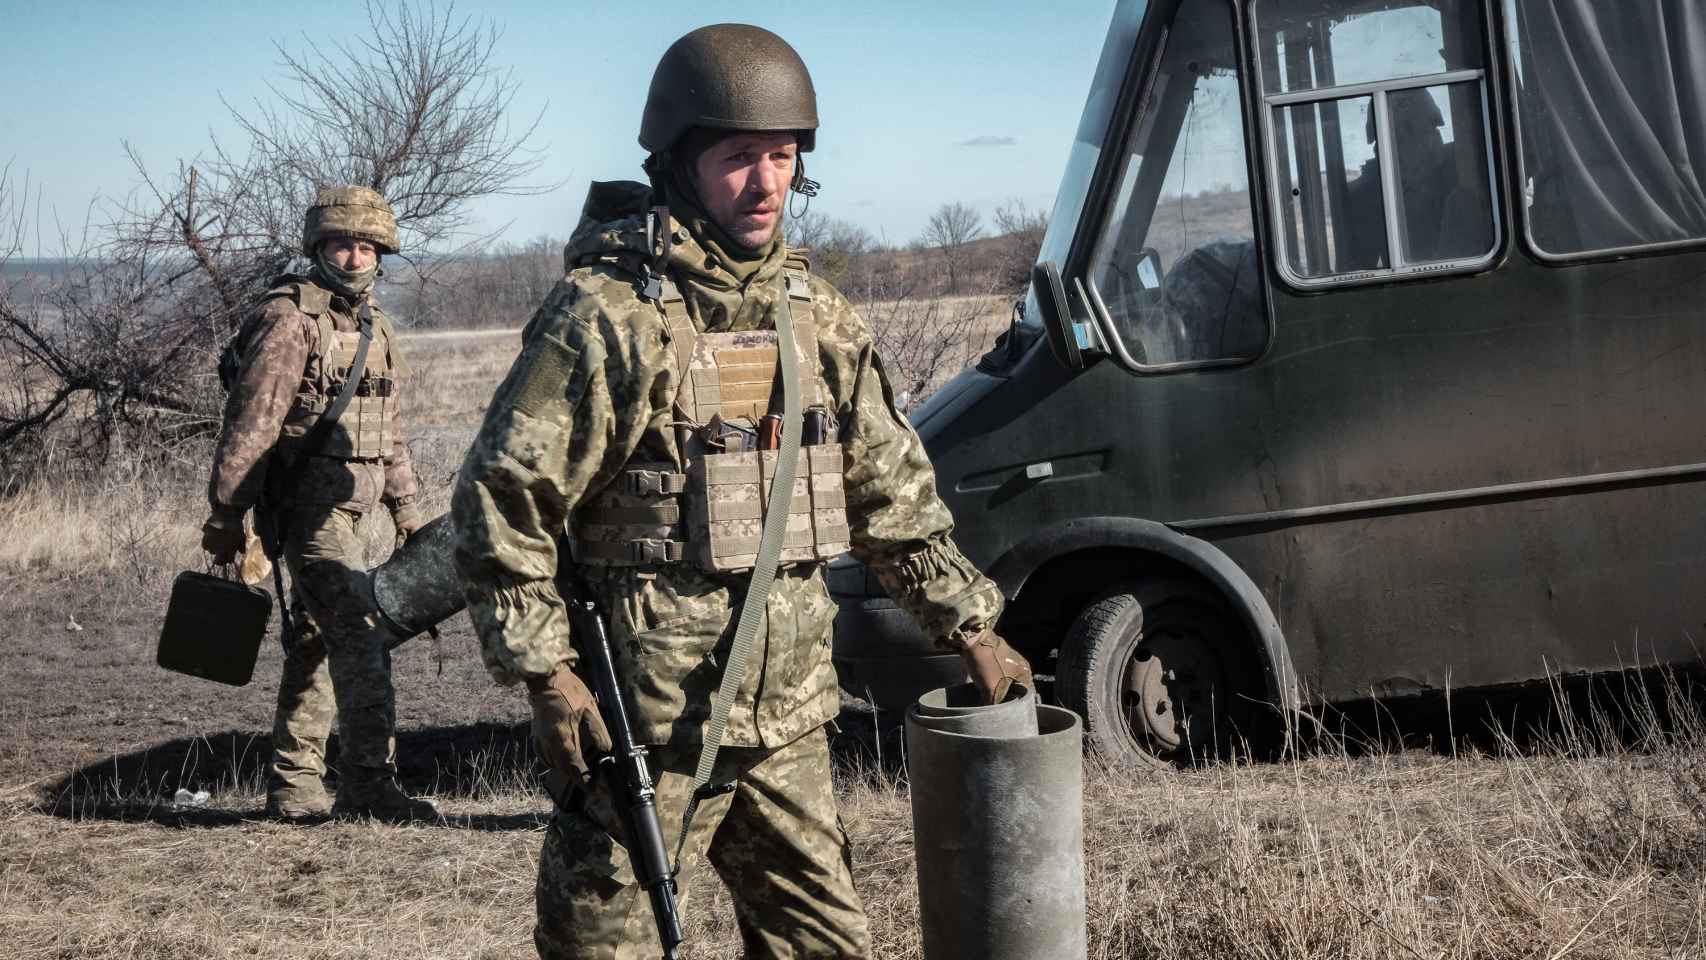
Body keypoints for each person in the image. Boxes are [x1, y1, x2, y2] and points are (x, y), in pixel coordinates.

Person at [450, 23, 1033, 959]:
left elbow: (888, 492)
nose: (765, 183)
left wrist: (969, 624)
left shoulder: (817, 315)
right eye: (737, 158)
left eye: (782, 156)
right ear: (680, 163)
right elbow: (500, 502)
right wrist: (545, 675)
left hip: (787, 720)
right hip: (645, 729)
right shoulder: (608, 321)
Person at [201, 185, 438, 823]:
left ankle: (294, 786)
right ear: (318, 247)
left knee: (313, 645)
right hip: (308, 513)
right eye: (343, 244)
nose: (356, 257)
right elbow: (252, 424)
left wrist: (408, 511)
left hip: (355, 512)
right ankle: (367, 782)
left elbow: (388, 431)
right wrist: (227, 514)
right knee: (361, 637)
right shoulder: (290, 319)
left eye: (367, 246)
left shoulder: (374, 327)